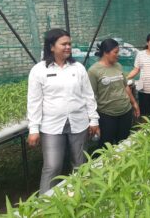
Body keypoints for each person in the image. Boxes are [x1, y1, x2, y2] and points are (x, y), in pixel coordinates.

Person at [27, 28, 100, 194]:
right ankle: (44, 205)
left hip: (79, 122)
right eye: (64, 44)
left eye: (69, 44)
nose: (68, 47)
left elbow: (88, 95)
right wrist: (34, 129)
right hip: (51, 125)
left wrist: (93, 119)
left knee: (80, 163)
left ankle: (81, 195)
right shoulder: (39, 70)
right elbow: (34, 101)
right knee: (52, 166)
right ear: (52, 47)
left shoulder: (78, 68)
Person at [88, 38, 140, 148]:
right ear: (106, 52)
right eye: (115, 52)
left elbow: (125, 86)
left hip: (125, 111)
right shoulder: (93, 71)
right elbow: (90, 96)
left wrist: (134, 103)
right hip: (107, 115)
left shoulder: (118, 66)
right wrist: (92, 118)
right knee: (107, 145)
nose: (118, 55)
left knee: (124, 143)